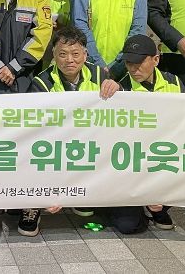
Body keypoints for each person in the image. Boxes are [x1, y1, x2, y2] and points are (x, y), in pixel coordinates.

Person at [31, 26, 119, 235]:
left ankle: (82, 196)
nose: (69, 60)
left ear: (85, 55)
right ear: (53, 55)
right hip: (54, 149)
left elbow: (122, 112)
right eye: (62, 54)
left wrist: (117, 88)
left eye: (75, 53)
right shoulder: (40, 82)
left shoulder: (100, 75)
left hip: (90, 147)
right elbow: (34, 131)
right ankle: (33, 205)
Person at [115, 34, 185, 232]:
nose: (133, 68)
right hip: (131, 164)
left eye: (139, 62)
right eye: (129, 63)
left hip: (164, 156)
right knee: (128, 226)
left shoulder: (176, 84)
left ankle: (158, 207)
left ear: (156, 59)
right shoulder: (119, 88)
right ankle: (142, 206)